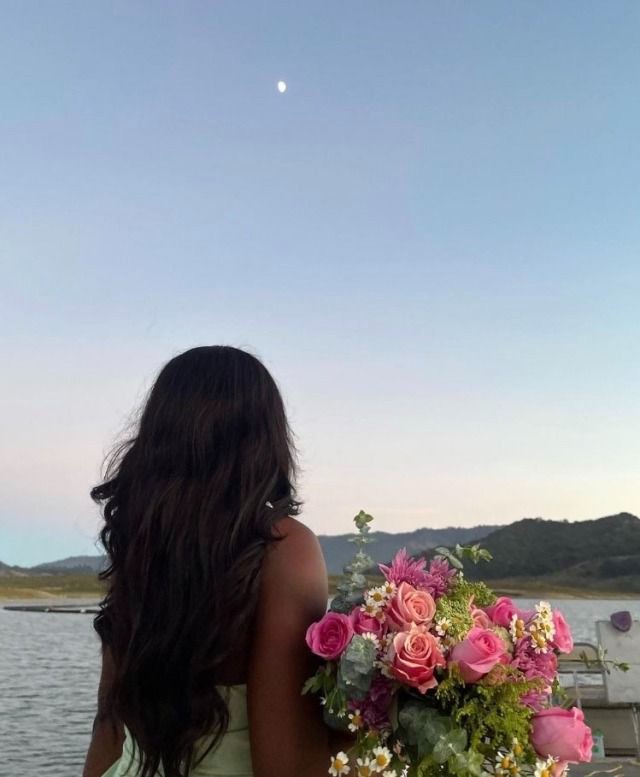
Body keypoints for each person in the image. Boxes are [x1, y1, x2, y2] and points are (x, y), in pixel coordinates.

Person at [83, 346, 351, 777]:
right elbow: (288, 768)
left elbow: (106, 730)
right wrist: (379, 723)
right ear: (265, 437)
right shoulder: (283, 550)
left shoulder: (140, 544)